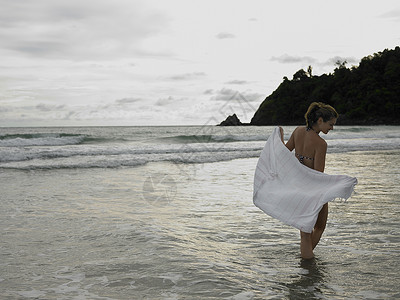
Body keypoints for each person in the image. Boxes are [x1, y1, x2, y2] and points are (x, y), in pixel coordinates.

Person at [283, 102, 338, 259]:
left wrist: (278, 140)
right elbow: (318, 174)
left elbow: (284, 155)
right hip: (313, 190)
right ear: (320, 120)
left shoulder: (297, 131)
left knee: (304, 234)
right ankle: (306, 261)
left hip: (298, 188)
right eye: (331, 124)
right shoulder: (321, 144)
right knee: (319, 227)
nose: (332, 128)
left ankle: (305, 262)